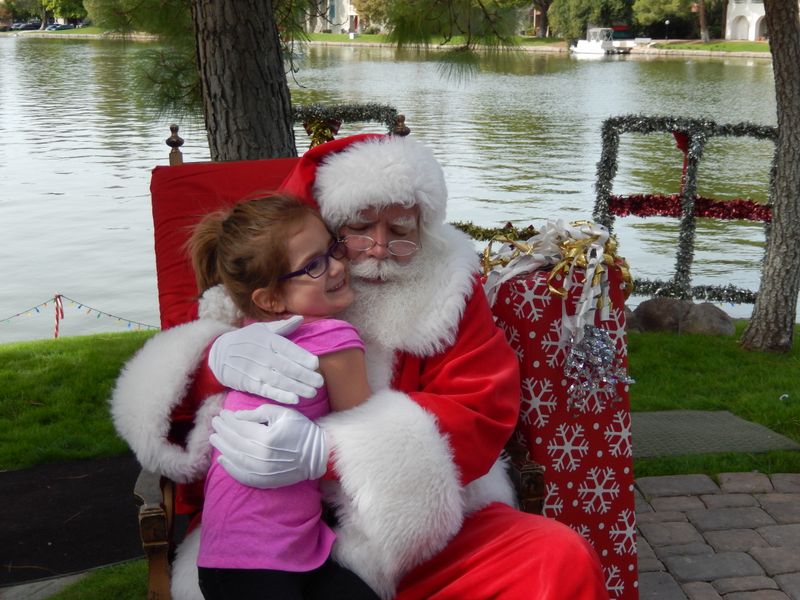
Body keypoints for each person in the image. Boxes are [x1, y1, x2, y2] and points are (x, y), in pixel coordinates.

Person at [111, 134, 609, 600]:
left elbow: (482, 409)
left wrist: (331, 450)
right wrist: (214, 361)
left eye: (400, 230)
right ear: (328, 222)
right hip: (267, 531)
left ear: (424, 223)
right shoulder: (275, 274)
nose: (377, 247)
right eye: (358, 228)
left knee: (559, 558)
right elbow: (175, 416)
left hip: (411, 519)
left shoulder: (449, 285)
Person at [184, 196, 378, 600]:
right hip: (262, 564)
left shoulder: (257, 331)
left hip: (239, 554)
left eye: (331, 248)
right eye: (314, 265)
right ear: (270, 299)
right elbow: (364, 435)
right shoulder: (336, 339)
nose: (339, 266)